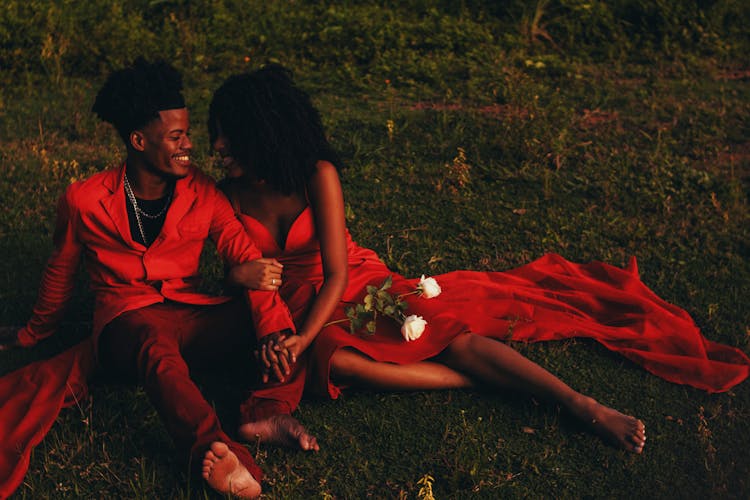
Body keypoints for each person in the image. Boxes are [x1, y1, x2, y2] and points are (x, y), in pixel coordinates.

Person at [208, 65, 750, 456]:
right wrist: (263, 302)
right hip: (296, 302)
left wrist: (300, 339)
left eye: (226, 134)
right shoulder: (226, 193)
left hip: (350, 283)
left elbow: (340, 272)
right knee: (340, 364)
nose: (216, 146)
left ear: (261, 133)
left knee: (446, 334)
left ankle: (580, 404)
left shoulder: (315, 174)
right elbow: (225, 268)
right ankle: (476, 380)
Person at [0, 59, 315, 499]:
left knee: (290, 303)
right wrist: (36, 332)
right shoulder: (84, 199)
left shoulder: (203, 191)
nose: (189, 145)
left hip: (188, 315)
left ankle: (265, 410)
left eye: (187, 133)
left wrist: (272, 330)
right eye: (176, 137)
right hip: (125, 325)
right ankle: (214, 449)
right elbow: (60, 270)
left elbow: (247, 257)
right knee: (155, 342)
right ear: (139, 141)